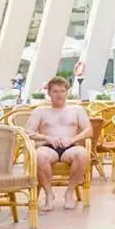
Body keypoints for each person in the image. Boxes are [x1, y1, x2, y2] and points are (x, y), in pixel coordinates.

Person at [25, 76, 92, 212]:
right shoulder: (40, 111)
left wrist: (72, 140)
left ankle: (69, 193)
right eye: (55, 91)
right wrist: (47, 138)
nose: (59, 95)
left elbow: (89, 131)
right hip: (48, 147)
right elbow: (26, 132)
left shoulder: (77, 110)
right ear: (49, 93)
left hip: (70, 146)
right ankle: (49, 193)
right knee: (39, 156)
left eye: (62, 91)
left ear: (67, 92)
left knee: (82, 153)